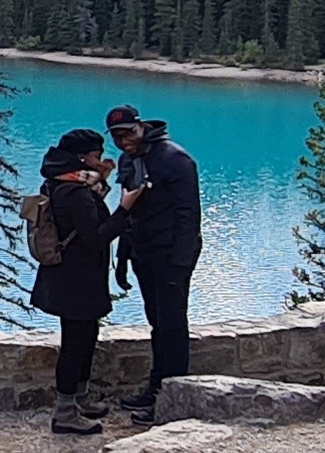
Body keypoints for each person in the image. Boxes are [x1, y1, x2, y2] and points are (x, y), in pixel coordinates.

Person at [31, 129, 132, 435]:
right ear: (82, 158)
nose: (102, 160)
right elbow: (96, 236)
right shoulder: (74, 193)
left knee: (85, 337)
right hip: (77, 280)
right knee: (75, 344)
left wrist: (100, 179)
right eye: (97, 156)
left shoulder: (62, 182)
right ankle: (65, 412)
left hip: (68, 277)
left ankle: (80, 399)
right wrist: (126, 208)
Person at [104, 103, 201, 410]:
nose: (123, 141)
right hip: (143, 253)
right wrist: (122, 260)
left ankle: (173, 399)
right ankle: (157, 389)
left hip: (171, 253)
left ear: (141, 126)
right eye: (117, 136)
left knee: (172, 324)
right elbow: (131, 214)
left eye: (128, 133)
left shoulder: (176, 160)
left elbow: (189, 218)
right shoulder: (127, 160)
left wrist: (179, 265)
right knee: (157, 322)